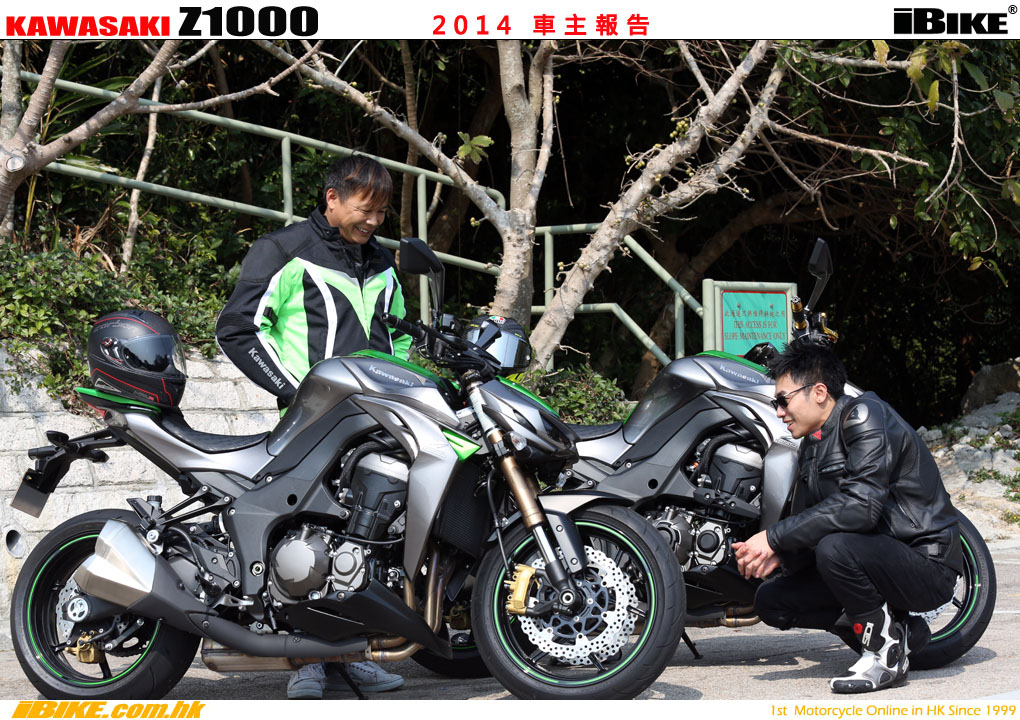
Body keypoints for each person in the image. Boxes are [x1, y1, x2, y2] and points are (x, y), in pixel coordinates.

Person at [216, 154, 409, 699]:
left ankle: (352, 652)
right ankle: (305, 661)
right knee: (306, 535)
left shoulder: (383, 262)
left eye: (381, 212)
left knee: (367, 536)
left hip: (377, 421)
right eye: (365, 208)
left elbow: (399, 337)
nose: (373, 220)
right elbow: (237, 328)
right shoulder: (283, 250)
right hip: (312, 424)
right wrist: (296, 393)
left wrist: (398, 390)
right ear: (332, 198)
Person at [732, 340, 963, 694]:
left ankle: (885, 657)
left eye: (783, 400)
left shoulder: (865, 415)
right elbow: (814, 520)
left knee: (835, 548)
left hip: (924, 562)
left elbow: (861, 507)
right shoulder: (811, 446)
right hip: (869, 557)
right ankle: (897, 631)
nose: (778, 412)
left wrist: (774, 538)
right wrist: (781, 553)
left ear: (819, 392)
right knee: (771, 600)